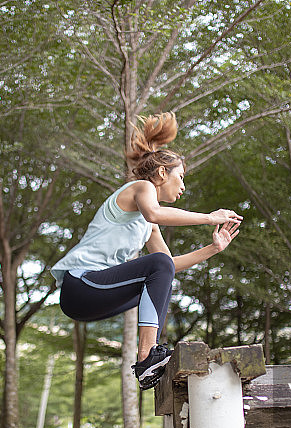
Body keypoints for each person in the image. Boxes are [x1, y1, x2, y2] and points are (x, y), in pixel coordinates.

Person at [51, 112, 243, 389]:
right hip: (81, 284)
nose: (184, 186)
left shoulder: (148, 224)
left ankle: (149, 358)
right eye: (182, 177)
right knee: (157, 264)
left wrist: (213, 248)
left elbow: (168, 266)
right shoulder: (141, 188)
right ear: (163, 173)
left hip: (91, 299)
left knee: (161, 266)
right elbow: (154, 213)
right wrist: (210, 217)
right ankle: (146, 357)